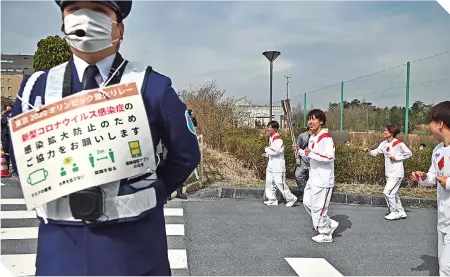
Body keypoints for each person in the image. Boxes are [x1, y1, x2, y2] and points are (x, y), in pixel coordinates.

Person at [8, 1, 201, 275]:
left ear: (119, 28)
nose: (84, 18)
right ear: (63, 21)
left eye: (98, 10)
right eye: (74, 9)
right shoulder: (34, 88)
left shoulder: (151, 85)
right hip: (60, 254)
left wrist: (153, 192)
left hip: (133, 253)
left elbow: (186, 154)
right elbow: (21, 155)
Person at [411, 101, 450, 276]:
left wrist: (448, 183)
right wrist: (424, 178)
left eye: (431, 122)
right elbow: (434, 176)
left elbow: (445, 181)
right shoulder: (437, 150)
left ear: (440, 124)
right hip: (443, 218)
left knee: (445, 268)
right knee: (443, 264)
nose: (429, 127)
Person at [300, 109, 338, 243]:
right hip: (313, 177)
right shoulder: (313, 137)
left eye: (314, 119)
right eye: (309, 119)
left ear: (321, 121)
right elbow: (311, 153)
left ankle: (325, 233)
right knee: (307, 203)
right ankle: (329, 223)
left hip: (323, 179)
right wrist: (300, 151)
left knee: (318, 207)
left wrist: (310, 153)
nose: (310, 122)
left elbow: (329, 157)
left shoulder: (326, 138)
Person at [364, 125, 412, 220]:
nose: (384, 132)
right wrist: (368, 151)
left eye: (386, 131)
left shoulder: (399, 143)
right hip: (388, 173)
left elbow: (409, 153)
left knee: (387, 192)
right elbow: (376, 152)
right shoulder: (384, 144)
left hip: (397, 173)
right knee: (393, 192)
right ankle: (401, 212)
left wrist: (397, 157)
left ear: (392, 133)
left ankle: (393, 212)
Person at [263, 120, 297, 207]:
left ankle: (291, 198)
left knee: (280, 183)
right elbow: (273, 151)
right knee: (270, 181)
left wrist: (267, 150)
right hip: (271, 164)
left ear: (275, 129)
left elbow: (276, 151)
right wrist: (267, 154)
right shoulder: (271, 138)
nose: (268, 128)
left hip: (278, 165)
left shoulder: (277, 139)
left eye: (270, 127)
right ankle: (272, 199)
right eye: (268, 126)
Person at [293, 127, 313, 197]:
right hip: (303, 161)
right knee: (298, 175)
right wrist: (297, 158)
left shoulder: (317, 136)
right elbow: (298, 147)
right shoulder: (302, 136)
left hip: (313, 161)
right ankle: (304, 192)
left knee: (310, 178)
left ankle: (309, 194)